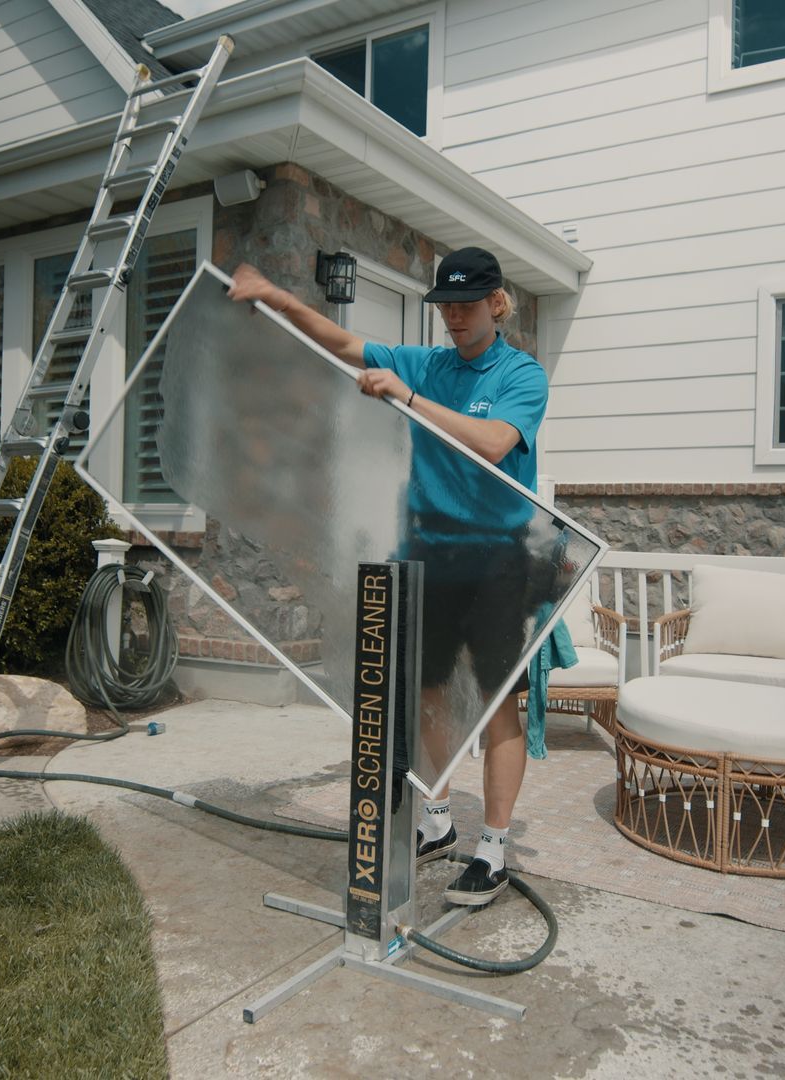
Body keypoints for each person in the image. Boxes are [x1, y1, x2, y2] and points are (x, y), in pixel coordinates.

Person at [228, 247, 549, 906]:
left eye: (467, 305)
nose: (455, 318)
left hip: (497, 558)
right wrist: (277, 298)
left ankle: (491, 848)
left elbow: (491, 443)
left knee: (493, 706)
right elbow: (345, 342)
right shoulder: (426, 362)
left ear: (497, 303)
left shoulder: (522, 375)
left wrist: (406, 398)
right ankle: (436, 821)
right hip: (429, 553)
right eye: (446, 307)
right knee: (426, 692)